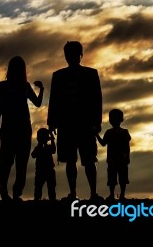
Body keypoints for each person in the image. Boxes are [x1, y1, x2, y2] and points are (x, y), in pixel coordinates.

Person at [47, 41, 102, 201]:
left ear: (80, 55)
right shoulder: (59, 76)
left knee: (88, 159)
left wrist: (97, 121)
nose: (70, 57)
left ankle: (90, 193)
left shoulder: (90, 74)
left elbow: (96, 99)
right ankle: (76, 192)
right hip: (69, 123)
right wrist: (52, 122)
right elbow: (54, 100)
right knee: (73, 160)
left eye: (72, 54)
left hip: (83, 123)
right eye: (68, 54)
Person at [0, 56, 44, 202]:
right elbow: (0, 106)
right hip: (15, 127)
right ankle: (9, 192)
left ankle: (11, 192)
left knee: (11, 162)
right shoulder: (9, 86)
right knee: (11, 162)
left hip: (17, 127)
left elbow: (37, 103)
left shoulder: (21, 86)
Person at [95, 109, 131, 201]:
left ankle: (116, 195)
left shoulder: (113, 132)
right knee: (116, 178)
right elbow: (127, 147)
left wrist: (96, 135)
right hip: (116, 160)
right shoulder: (121, 132)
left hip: (117, 159)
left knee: (117, 178)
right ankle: (117, 195)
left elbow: (103, 143)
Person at [31, 128, 57, 201]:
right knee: (39, 188)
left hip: (44, 171)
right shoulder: (40, 148)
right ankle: (39, 198)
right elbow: (33, 155)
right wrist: (51, 139)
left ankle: (45, 199)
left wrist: (51, 139)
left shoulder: (44, 148)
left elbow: (53, 150)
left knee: (49, 187)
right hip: (44, 171)